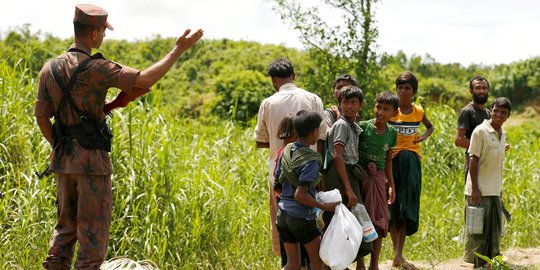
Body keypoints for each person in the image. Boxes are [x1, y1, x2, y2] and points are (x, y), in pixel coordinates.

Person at [34, 4, 203, 269]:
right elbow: (145, 80)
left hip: (63, 162)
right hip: (92, 164)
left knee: (64, 232)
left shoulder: (49, 68)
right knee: (92, 237)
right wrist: (177, 50)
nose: (104, 36)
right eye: (103, 31)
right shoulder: (97, 68)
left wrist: (61, 144)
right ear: (94, 34)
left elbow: (42, 116)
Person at [254, 58, 328, 259]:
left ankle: (290, 262)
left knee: (282, 221)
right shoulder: (313, 99)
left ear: (273, 81)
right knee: (311, 223)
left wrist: (281, 143)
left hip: (278, 171)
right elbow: (322, 138)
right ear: (293, 76)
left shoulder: (268, 103)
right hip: (309, 171)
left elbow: (260, 141)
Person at [275, 110, 339, 270]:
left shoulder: (287, 151)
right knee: (319, 265)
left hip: (282, 214)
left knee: (292, 264)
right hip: (300, 217)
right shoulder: (310, 159)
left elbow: (278, 184)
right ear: (314, 132)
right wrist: (324, 207)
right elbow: (300, 195)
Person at [388, 72, 434, 270]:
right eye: (400, 87)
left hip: (412, 162)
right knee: (393, 205)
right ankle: (395, 253)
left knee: (408, 207)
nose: (403, 91)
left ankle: (399, 254)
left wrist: (422, 137)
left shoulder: (418, 111)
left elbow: (430, 127)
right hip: (393, 162)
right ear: (396, 89)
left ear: (414, 92)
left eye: (407, 88)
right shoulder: (391, 111)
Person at [463, 97, 512, 268]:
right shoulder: (480, 131)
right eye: (496, 111)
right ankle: (478, 263)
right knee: (479, 230)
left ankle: (489, 262)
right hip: (479, 190)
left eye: (503, 112)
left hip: (494, 190)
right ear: (491, 110)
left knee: (493, 229)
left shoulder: (502, 133)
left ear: (508, 116)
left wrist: (499, 189)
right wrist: (475, 189)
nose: (499, 115)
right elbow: (473, 160)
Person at [356, 91, 398, 270]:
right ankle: (360, 263)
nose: (380, 112)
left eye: (386, 109)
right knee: (359, 220)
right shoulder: (362, 127)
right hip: (360, 177)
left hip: (379, 180)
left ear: (394, 113)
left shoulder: (392, 133)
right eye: (378, 107)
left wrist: (391, 185)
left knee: (379, 221)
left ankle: (374, 263)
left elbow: (388, 160)